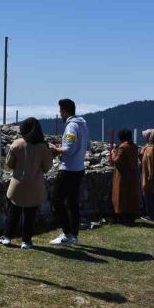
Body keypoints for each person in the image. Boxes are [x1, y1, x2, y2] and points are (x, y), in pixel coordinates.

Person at [0, 117, 53, 249]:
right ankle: (26, 241)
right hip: (35, 185)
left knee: (13, 211)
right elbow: (47, 167)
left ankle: (7, 237)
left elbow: (9, 163)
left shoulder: (17, 144)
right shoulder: (43, 147)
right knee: (30, 214)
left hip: (17, 185)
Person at [48, 98, 90, 245]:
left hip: (68, 169)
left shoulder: (71, 126)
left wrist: (55, 149)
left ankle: (67, 233)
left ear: (65, 111)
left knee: (57, 200)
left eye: (60, 111)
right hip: (79, 168)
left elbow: (69, 149)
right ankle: (74, 235)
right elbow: (86, 145)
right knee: (73, 203)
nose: (60, 114)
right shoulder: (83, 124)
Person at [110, 128, 141, 225]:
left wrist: (112, 154)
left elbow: (116, 161)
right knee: (131, 196)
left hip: (123, 176)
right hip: (133, 175)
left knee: (121, 196)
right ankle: (131, 217)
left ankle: (122, 218)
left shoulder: (123, 147)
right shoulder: (134, 146)